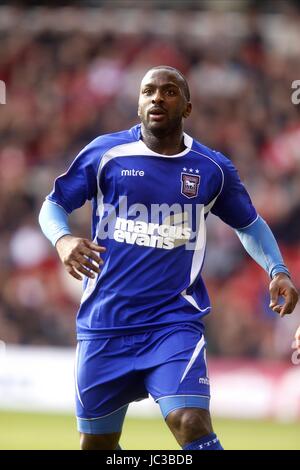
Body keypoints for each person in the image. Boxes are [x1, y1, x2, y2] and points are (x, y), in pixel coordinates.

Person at [39, 65, 299, 451]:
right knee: (97, 445)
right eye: (148, 91)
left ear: (187, 107)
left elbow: (250, 224)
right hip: (104, 325)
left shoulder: (211, 169)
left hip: (172, 322)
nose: (157, 97)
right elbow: (53, 205)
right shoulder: (106, 153)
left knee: (190, 422)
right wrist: (62, 241)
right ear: (139, 102)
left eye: (169, 91)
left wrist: (277, 270)